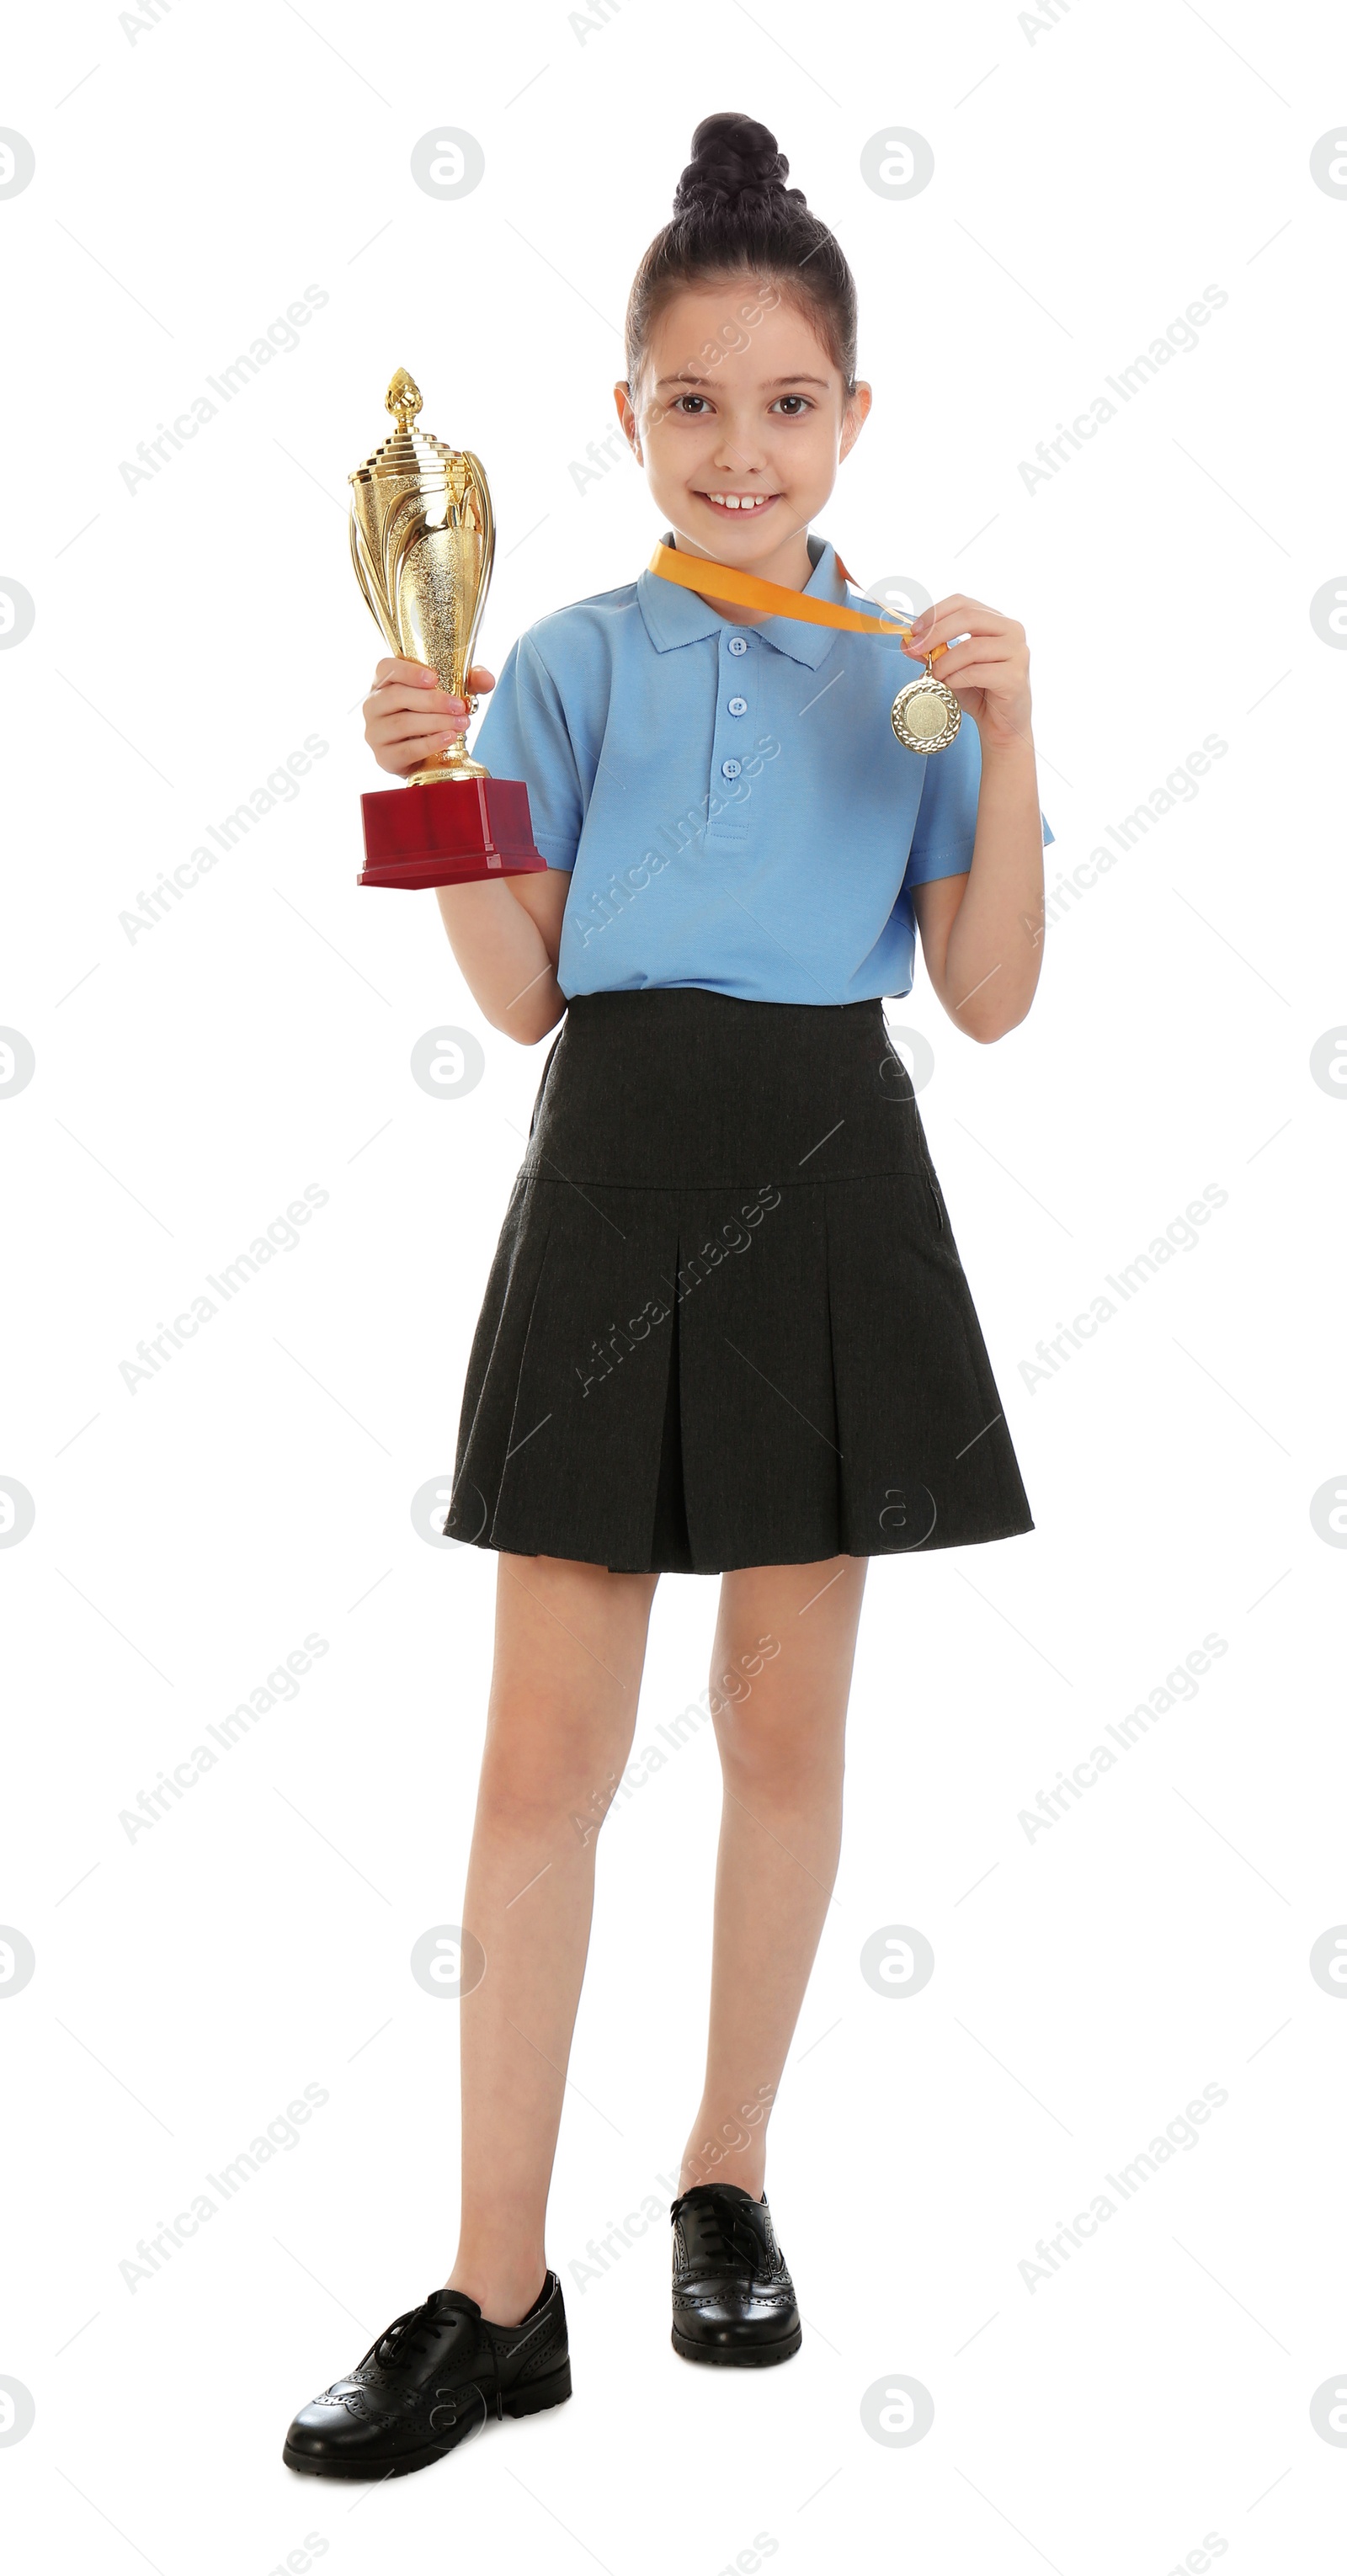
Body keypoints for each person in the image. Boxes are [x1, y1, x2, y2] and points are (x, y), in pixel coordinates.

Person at [283, 108, 1052, 2483]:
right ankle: (494, 2292)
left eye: (788, 401)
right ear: (628, 419)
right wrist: (434, 783)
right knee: (542, 1753)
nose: (741, 445)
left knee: (785, 1721)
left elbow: (993, 991)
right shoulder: (578, 662)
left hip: (834, 1172)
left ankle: (728, 2170)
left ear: (852, 414)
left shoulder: (915, 671)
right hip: (613, 1175)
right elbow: (520, 994)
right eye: (692, 403)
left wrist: (1014, 734)